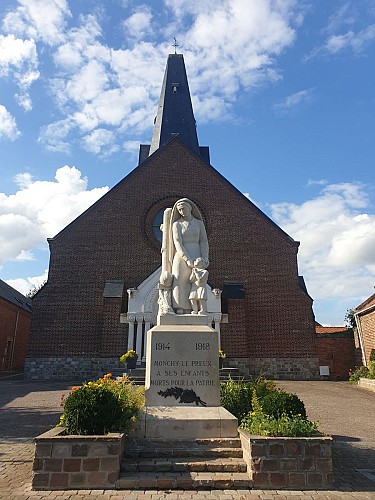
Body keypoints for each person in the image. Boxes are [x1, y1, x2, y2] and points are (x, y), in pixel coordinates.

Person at [168, 198, 209, 314]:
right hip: (181, 256)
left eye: (183, 208)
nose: (181, 211)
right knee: (180, 280)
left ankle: (195, 308)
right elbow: (177, 242)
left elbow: (203, 241)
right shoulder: (177, 224)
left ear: (190, 208)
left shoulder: (199, 224)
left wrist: (205, 257)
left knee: (195, 281)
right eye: (179, 210)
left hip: (196, 253)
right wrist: (186, 258)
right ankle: (180, 307)